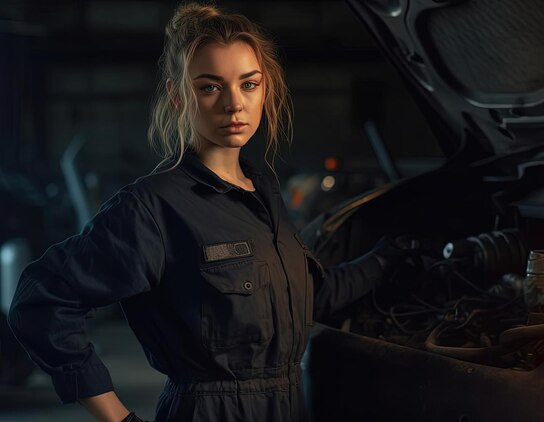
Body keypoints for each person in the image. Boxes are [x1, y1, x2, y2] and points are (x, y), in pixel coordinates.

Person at [7, 3, 412, 421]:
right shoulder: (155, 206)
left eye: (249, 84)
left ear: (265, 89)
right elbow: (41, 302)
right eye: (210, 87)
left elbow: (309, 298)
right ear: (179, 97)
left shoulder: (267, 197)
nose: (234, 104)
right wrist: (119, 419)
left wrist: (387, 258)